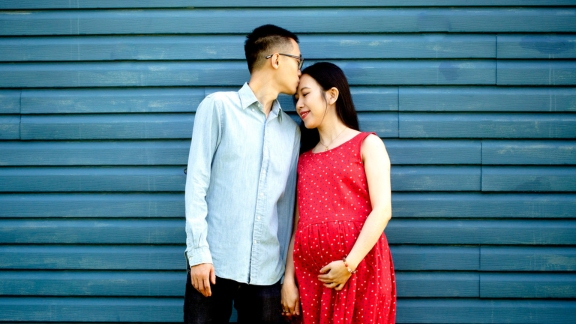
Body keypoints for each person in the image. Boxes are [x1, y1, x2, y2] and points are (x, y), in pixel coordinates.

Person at [183, 24, 302, 324]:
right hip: (212, 269)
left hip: (266, 277)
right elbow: (196, 183)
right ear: (276, 59)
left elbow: (286, 210)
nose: (301, 71)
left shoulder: (292, 131)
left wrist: (285, 276)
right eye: (298, 61)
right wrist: (198, 254)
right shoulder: (217, 108)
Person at [281, 62, 396, 323]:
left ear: (331, 95)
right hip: (312, 278)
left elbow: (382, 210)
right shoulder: (304, 160)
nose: (299, 104)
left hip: (360, 270)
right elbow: (299, 225)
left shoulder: (367, 144)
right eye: (296, 98)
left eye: (305, 94)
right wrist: (289, 280)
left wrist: (348, 265)